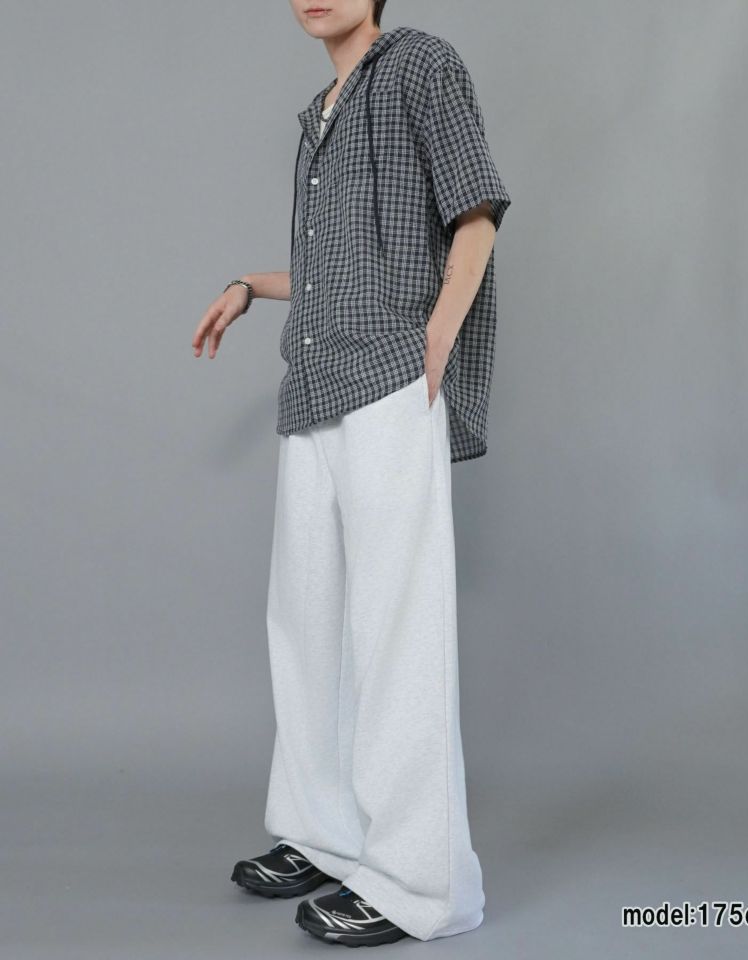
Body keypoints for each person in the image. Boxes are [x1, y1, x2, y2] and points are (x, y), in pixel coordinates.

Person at [192, 0, 511, 947]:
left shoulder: (419, 65)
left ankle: (423, 883)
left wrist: (439, 333)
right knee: (309, 622)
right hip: (314, 383)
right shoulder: (320, 115)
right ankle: (325, 836)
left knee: (397, 628)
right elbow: (339, 269)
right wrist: (251, 285)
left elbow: (476, 212)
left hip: (387, 381)